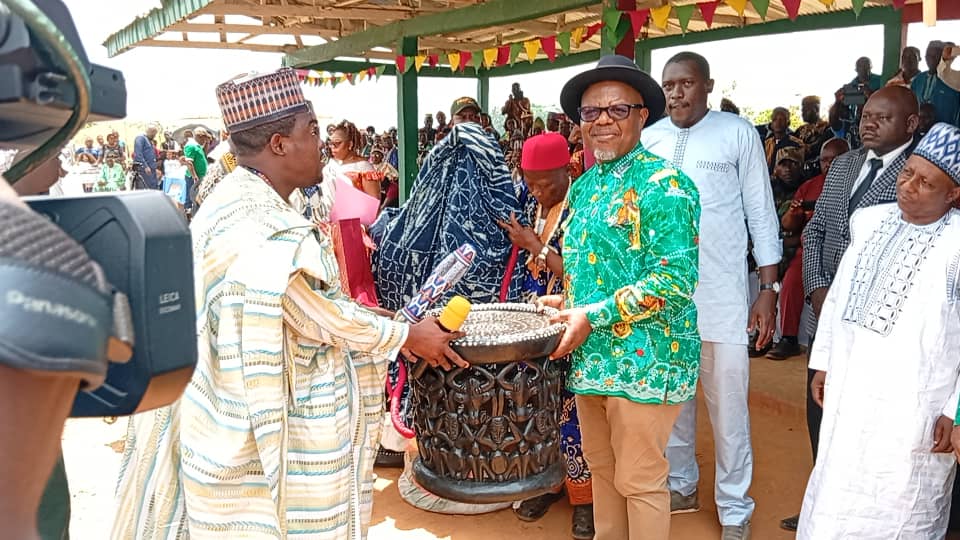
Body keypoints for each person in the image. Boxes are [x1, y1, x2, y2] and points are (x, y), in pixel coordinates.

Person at [111, 68, 465, 540]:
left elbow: (303, 303)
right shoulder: (258, 223)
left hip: (220, 411)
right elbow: (312, 313)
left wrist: (364, 317)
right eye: (313, 131)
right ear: (279, 144)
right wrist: (405, 335)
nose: (322, 143)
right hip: (249, 434)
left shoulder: (236, 202)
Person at [553, 54, 701, 540]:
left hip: (648, 359)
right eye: (591, 112)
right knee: (602, 472)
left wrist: (591, 314)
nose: (602, 122)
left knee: (639, 480)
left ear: (643, 115)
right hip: (591, 358)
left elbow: (674, 279)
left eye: (618, 110)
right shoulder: (583, 188)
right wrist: (566, 303)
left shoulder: (667, 185)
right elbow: (589, 271)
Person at [642, 51, 782, 540]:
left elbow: (761, 212)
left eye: (686, 83)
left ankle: (735, 509)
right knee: (672, 399)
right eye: (669, 85)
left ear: (707, 85)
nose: (676, 93)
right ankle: (682, 483)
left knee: (728, 408)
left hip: (722, 294)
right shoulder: (649, 138)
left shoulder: (737, 133)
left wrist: (767, 287)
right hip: (663, 297)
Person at [799, 122, 960, 539]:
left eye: (926, 184)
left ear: (954, 193)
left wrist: (955, 409)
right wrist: (824, 362)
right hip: (850, 385)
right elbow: (838, 299)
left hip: (918, 401)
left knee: (902, 499)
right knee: (835, 485)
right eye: (908, 173)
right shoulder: (869, 220)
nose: (908, 186)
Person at [787, 85, 919, 532]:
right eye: (866, 115)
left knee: (865, 414)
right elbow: (817, 231)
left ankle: (862, 515)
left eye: (882, 118)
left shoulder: (917, 174)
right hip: (825, 313)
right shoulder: (843, 164)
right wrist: (819, 290)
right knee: (819, 405)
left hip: (877, 322)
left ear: (911, 125)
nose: (868, 122)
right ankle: (820, 499)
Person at [498, 133, 594, 540]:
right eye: (530, 182)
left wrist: (534, 245)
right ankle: (547, 485)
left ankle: (585, 502)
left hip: (567, 325)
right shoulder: (532, 203)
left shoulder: (583, 207)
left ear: (567, 170)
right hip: (531, 326)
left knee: (572, 417)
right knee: (536, 412)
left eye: (544, 183)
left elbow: (580, 272)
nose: (536, 191)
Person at [767, 138, 849, 361]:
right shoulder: (809, 186)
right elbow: (788, 225)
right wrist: (793, 217)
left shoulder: (857, 182)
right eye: (825, 160)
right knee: (792, 281)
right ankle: (789, 339)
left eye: (835, 159)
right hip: (810, 250)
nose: (829, 164)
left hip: (846, 251)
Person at [315, 119, 376, 219]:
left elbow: (373, 208)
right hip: (330, 226)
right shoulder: (330, 166)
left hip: (356, 227)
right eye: (331, 143)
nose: (332, 147)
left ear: (350, 144)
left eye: (337, 143)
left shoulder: (364, 168)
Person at [912, 40, 960, 126]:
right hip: (919, 129)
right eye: (929, 55)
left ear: (941, 58)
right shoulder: (918, 79)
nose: (931, 59)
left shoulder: (952, 80)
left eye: (935, 56)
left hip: (944, 130)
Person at [794, 96, 834, 177]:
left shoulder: (828, 129)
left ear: (816, 109)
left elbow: (818, 148)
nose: (802, 113)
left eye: (805, 110)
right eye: (802, 110)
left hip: (819, 172)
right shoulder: (800, 130)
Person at [763, 107, 804, 173]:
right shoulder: (766, 143)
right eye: (775, 120)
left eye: (781, 119)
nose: (778, 122)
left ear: (788, 123)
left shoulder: (796, 143)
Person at [181, 127, 210, 212]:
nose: (205, 140)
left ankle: (194, 213)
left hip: (200, 176)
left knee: (198, 197)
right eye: (204, 138)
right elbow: (189, 163)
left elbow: (204, 154)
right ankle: (188, 215)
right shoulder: (191, 145)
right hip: (193, 177)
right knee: (191, 198)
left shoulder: (197, 145)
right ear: (200, 136)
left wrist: (207, 143)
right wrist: (194, 176)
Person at [132, 123, 159, 189]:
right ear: (150, 131)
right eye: (154, 134)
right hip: (144, 170)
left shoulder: (149, 140)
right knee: (145, 189)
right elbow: (138, 154)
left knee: (153, 188)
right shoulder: (140, 138)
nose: (154, 136)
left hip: (151, 169)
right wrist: (145, 166)